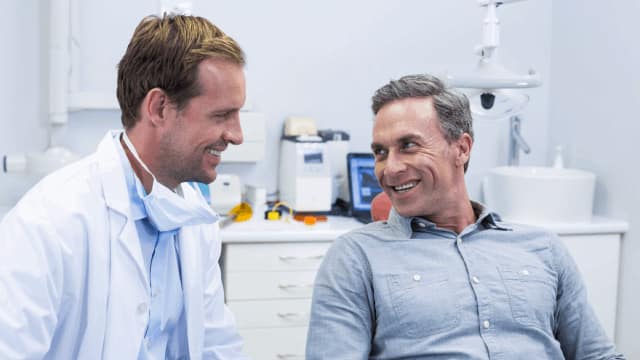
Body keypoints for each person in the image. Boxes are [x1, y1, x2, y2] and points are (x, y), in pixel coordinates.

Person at [306, 74, 624, 359]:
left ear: (462, 148)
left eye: (409, 146)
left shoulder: (542, 248)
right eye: (380, 152)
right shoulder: (356, 257)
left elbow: (598, 354)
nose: (390, 168)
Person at [0, 14, 249, 359]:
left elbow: (216, 345)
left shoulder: (193, 220)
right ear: (159, 108)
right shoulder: (49, 224)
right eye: (221, 115)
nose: (237, 135)